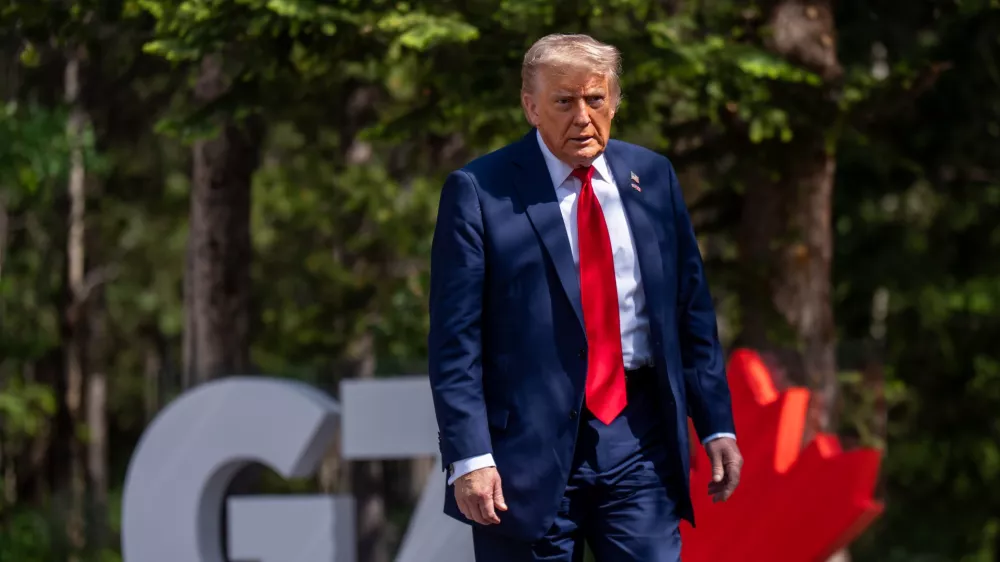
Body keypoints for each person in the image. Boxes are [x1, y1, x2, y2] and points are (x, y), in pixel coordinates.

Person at [428, 33, 743, 561]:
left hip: (638, 440)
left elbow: (691, 312)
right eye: (563, 101)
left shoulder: (654, 177)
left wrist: (716, 423)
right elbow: (455, 341)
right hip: (521, 459)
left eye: (595, 100)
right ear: (531, 107)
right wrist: (470, 457)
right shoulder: (479, 191)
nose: (583, 117)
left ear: (614, 102)